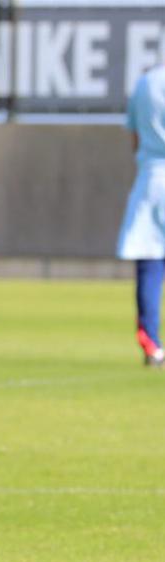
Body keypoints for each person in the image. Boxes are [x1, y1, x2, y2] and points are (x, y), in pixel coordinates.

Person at [117, 62, 165, 367]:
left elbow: (134, 139)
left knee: (149, 263)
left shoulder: (145, 83)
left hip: (152, 180)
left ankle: (152, 345)